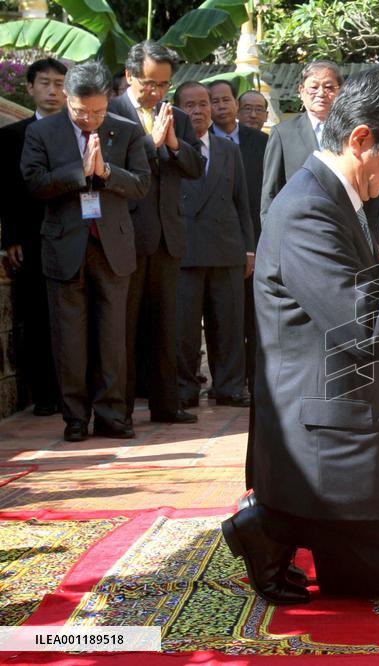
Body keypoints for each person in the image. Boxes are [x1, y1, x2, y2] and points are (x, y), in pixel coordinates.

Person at [222, 68, 379, 606]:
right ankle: (278, 525)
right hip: (332, 450)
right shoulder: (308, 211)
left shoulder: (337, 197)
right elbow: (366, 330)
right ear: (362, 139)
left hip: (364, 430)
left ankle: (286, 527)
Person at [20, 60, 150, 441]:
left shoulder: (126, 131)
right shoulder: (42, 132)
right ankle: (75, 417)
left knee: (113, 338)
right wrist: (80, 171)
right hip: (65, 246)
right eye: (81, 112)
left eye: (98, 112)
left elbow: (141, 184)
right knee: (70, 340)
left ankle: (112, 415)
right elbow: (35, 183)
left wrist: (106, 172)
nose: (90, 119)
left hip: (112, 247)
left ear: (108, 101)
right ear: (67, 98)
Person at [109, 40, 204, 422]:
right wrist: (152, 144)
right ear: (130, 75)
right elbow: (113, 169)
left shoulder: (176, 116)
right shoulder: (111, 113)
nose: (156, 92)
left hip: (167, 235)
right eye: (149, 83)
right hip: (126, 235)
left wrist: (175, 144)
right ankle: (120, 411)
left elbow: (196, 168)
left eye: (163, 84)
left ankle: (167, 405)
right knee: (125, 327)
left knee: (167, 326)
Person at [174, 82, 256, 412]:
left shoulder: (227, 149)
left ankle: (230, 387)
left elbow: (241, 201)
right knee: (184, 328)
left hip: (227, 248)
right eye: (190, 105)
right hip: (184, 250)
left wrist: (248, 249)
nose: (198, 111)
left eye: (203, 104)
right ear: (177, 110)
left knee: (229, 325)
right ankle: (184, 388)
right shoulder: (169, 147)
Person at [0, 57, 67, 416]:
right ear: (29, 87)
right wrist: (10, 238)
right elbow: (7, 191)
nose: (52, 91)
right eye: (45, 83)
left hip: (74, 237)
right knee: (37, 317)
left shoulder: (81, 131)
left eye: (59, 84)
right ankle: (44, 394)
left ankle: (77, 393)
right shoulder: (12, 136)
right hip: (31, 238)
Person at [209, 79, 268, 395]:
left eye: (226, 100)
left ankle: (254, 377)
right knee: (221, 318)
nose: (221, 106)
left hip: (255, 239)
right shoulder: (196, 141)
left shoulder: (261, 142)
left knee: (254, 314)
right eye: (214, 101)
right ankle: (226, 380)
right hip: (212, 242)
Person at [260, 61, 341, 225]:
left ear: (340, 91)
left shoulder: (351, 132)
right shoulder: (283, 134)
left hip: (343, 224)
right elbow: (271, 193)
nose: (321, 93)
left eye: (329, 87)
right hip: (298, 226)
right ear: (302, 91)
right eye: (314, 87)